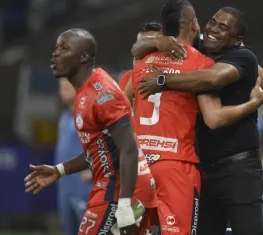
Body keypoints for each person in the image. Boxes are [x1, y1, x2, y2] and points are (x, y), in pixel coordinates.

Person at [131, 6, 263, 235]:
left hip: (238, 168)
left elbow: (216, 82)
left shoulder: (242, 56)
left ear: (237, 40)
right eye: (213, 22)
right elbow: (137, 48)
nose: (214, 30)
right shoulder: (198, 50)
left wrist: (252, 104)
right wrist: (157, 42)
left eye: (223, 28)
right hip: (203, 167)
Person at [23, 28, 157, 235]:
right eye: (56, 47)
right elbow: (100, 150)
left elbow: (129, 149)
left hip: (120, 191)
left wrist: (124, 205)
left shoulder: (103, 93)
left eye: (64, 48)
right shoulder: (84, 93)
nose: (56, 53)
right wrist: (59, 170)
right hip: (109, 189)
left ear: (84, 57)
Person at [55, 77, 92, 235]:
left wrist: (94, 169)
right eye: (60, 87)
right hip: (65, 186)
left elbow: (103, 144)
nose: (62, 91)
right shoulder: (64, 117)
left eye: (66, 87)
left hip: (82, 185)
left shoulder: (87, 115)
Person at [118, 21, 162, 91]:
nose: (144, 48)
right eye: (141, 45)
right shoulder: (128, 77)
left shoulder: (174, 74)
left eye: (151, 45)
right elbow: (125, 101)